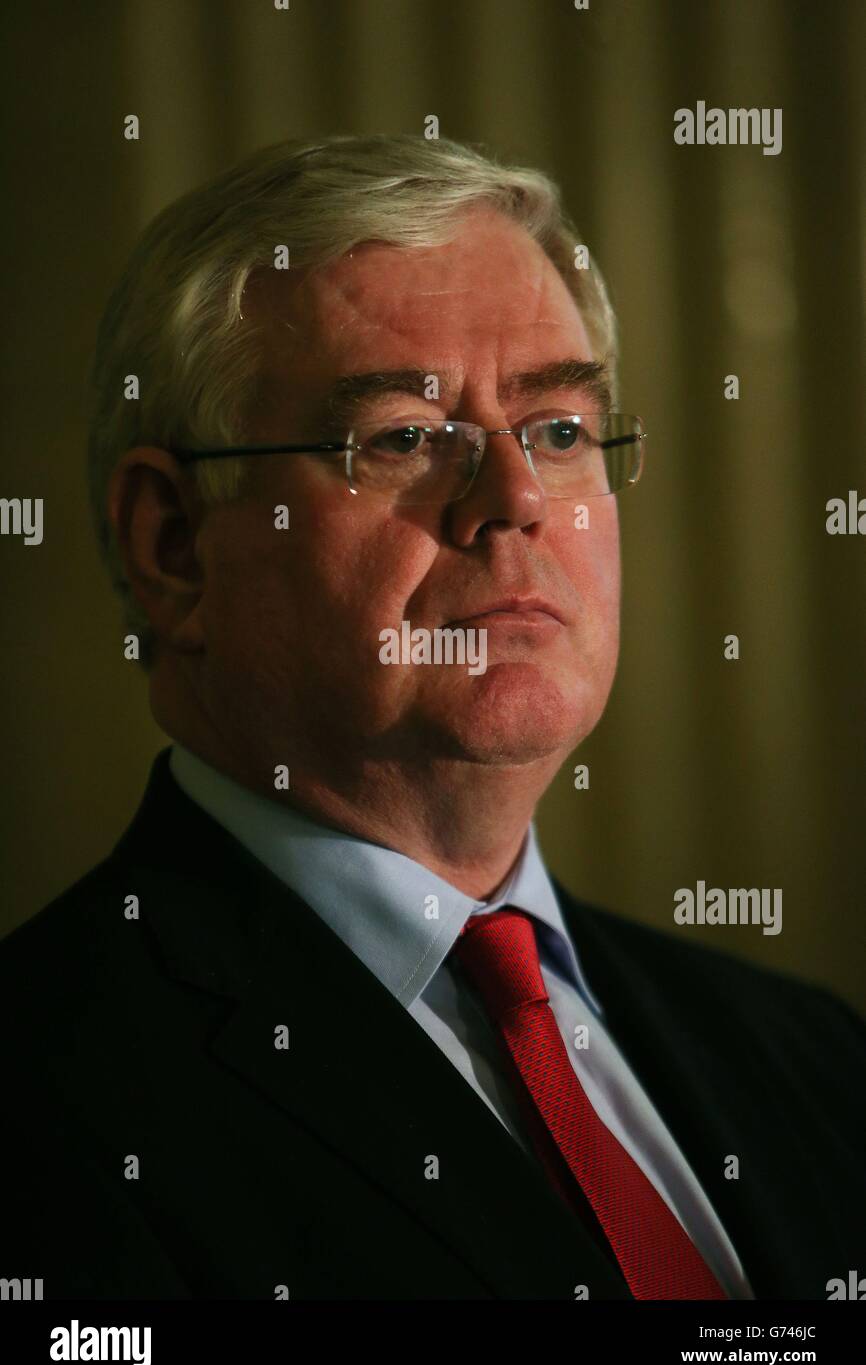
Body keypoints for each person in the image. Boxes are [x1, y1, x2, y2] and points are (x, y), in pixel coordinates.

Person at [2, 134, 863, 1301]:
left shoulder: (807, 1056)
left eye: (557, 430)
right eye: (404, 437)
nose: (513, 501)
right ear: (175, 545)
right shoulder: (41, 1102)